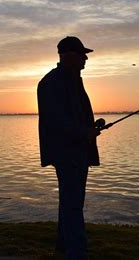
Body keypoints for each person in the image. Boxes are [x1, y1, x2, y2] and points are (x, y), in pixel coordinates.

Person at [37, 36, 101, 259]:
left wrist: (90, 128)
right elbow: (56, 121)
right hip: (66, 152)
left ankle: (64, 248)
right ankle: (77, 253)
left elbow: (72, 117)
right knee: (73, 205)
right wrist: (84, 132)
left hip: (78, 150)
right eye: (82, 54)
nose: (85, 58)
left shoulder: (72, 81)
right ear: (70, 56)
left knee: (71, 202)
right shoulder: (52, 83)